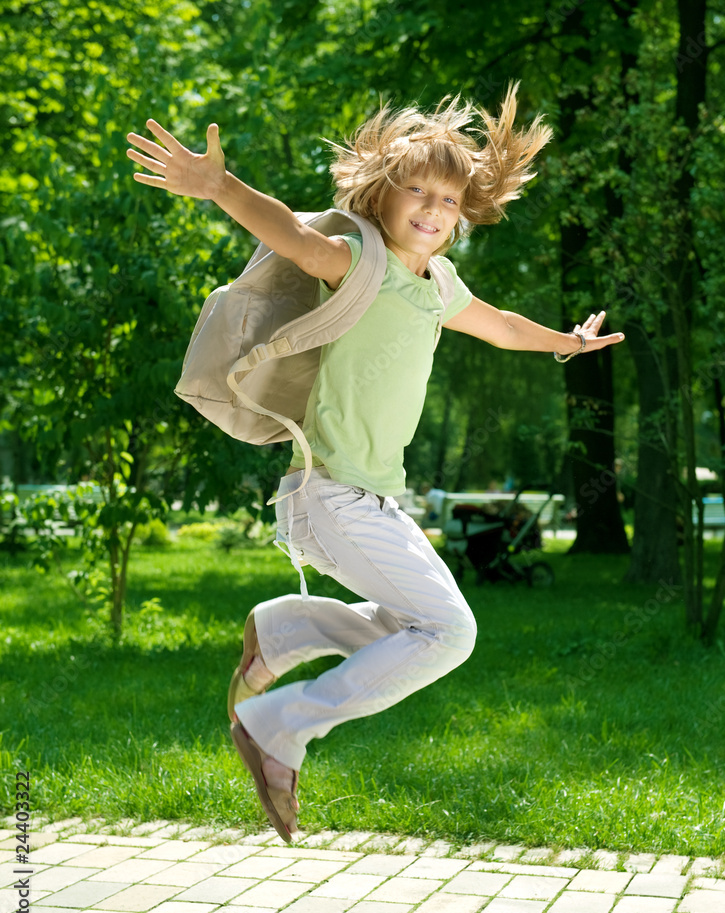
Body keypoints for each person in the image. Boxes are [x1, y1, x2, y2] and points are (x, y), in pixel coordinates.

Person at [126, 85, 624, 842]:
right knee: (447, 634)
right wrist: (218, 185)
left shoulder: (437, 286)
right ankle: (278, 727)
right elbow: (291, 234)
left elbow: (498, 327)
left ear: (463, 213)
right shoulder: (357, 262)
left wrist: (565, 341)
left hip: (373, 501)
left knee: (409, 628)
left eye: (449, 198)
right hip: (330, 494)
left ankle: (286, 630)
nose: (432, 207)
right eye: (416, 190)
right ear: (382, 196)